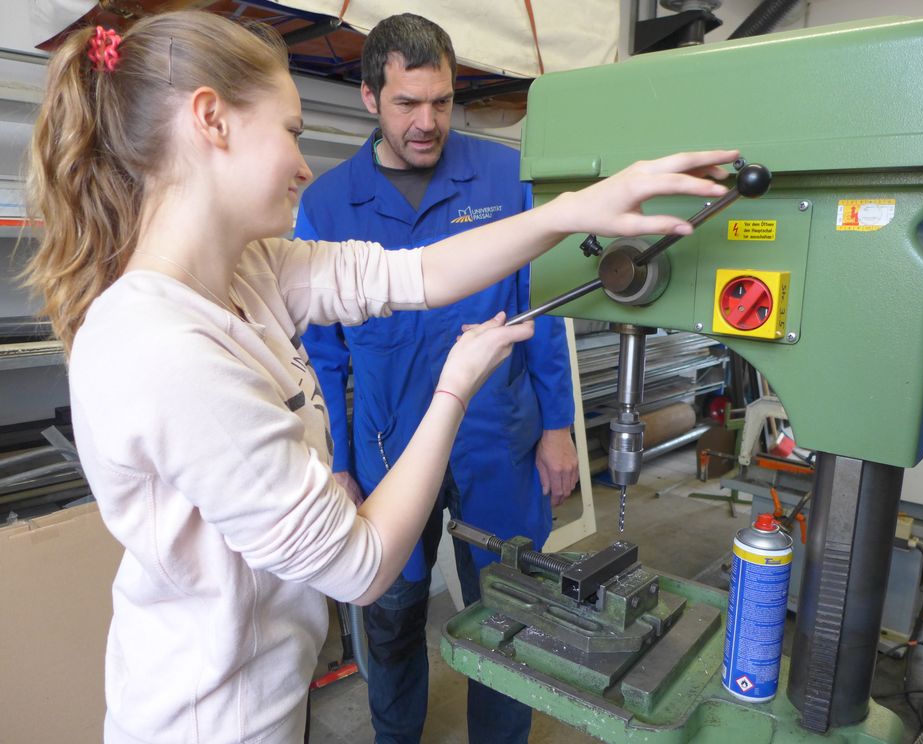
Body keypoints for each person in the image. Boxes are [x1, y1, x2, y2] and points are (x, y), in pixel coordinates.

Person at [23, 9, 736, 744]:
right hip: (210, 718)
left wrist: (580, 209)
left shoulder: (251, 272)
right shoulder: (162, 347)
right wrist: (455, 388)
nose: (305, 165)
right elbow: (359, 564)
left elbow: (419, 272)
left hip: (271, 685)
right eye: (293, 131)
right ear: (212, 121)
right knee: (391, 617)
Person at [296, 14, 577, 742]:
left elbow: (539, 309)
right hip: (388, 446)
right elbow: (322, 353)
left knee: (509, 613)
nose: (427, 123)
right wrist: (338, 465)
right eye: (406, 104)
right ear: (368, 99)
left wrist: (556, 426)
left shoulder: (502, 176)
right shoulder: (327, 206)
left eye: (442, 102)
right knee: (390, 612)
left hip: (496, 440)